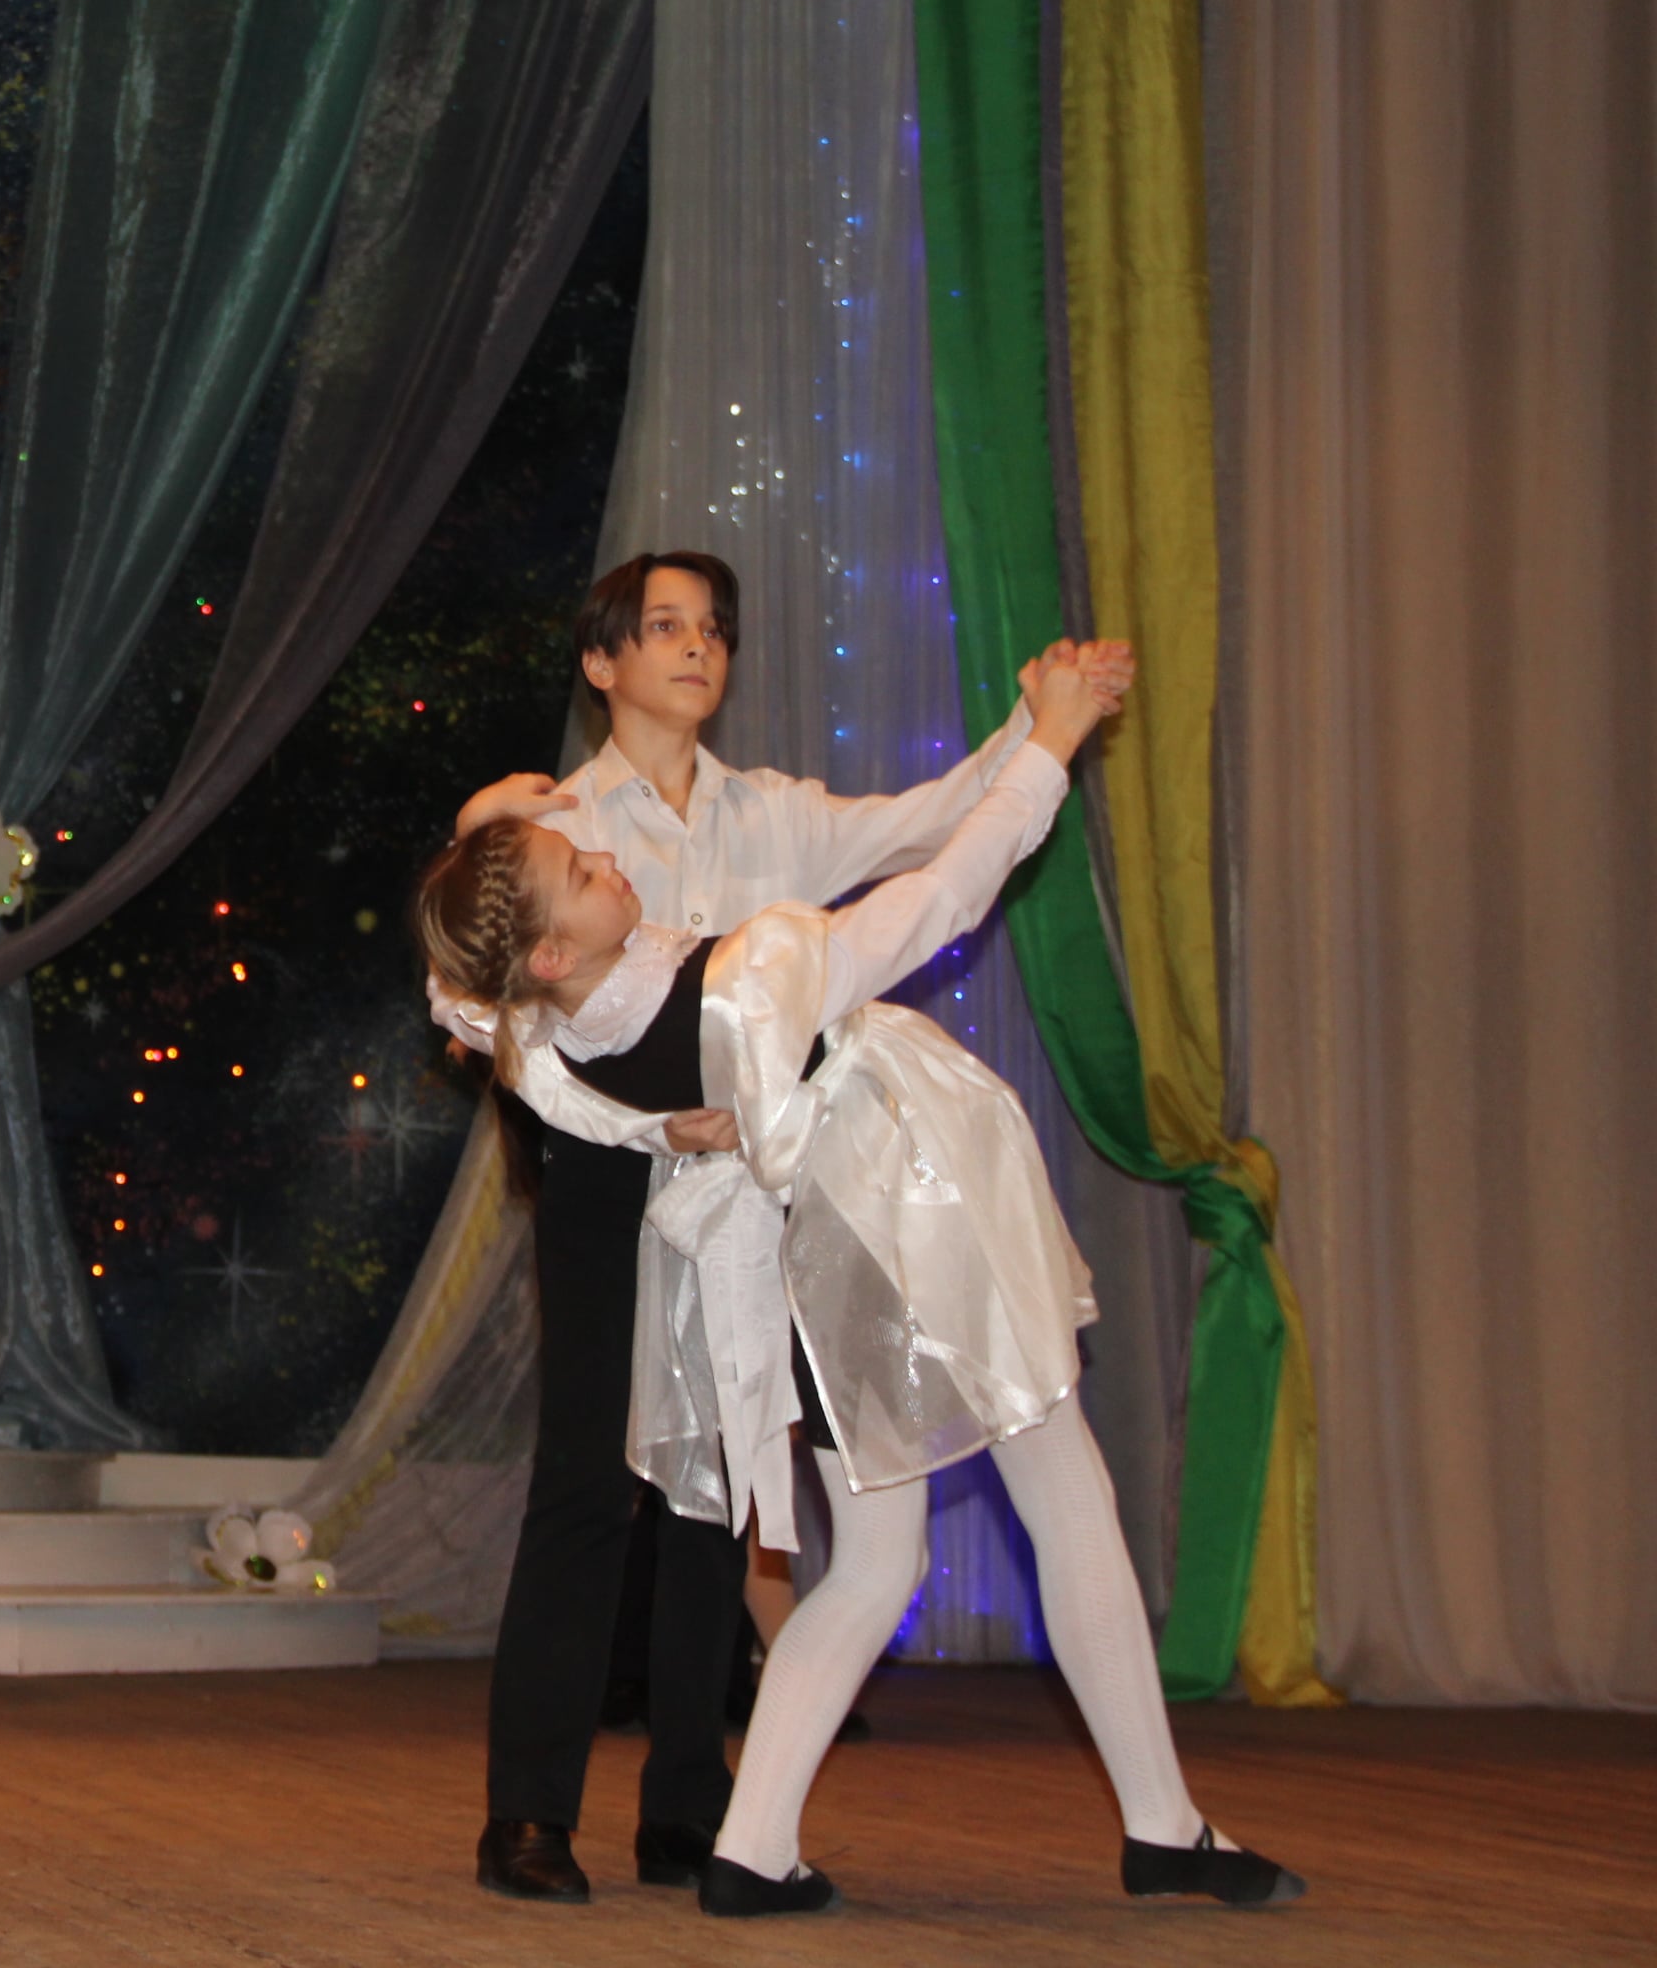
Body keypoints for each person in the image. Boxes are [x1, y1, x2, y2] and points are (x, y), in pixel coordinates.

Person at [416, 644, 1303, 1916]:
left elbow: (467, 996)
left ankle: (755, 1846)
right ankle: (1162, 1827)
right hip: (906, 1220)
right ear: (552, 953)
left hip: (812, 1280)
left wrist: (485, 831)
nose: (607, 860)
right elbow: (941, 898)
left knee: (879, 1563)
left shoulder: (555, 1035)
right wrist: (1050, 749)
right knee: (1068, 1496)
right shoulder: (747, 981)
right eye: (582, 872)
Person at [437, 550, 1086, 1905]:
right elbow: (464, 994)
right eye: (664, 626)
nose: (697, 647)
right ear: (602, 662)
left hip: (752, 1179)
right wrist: (630, 1113)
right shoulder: (554, 823)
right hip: (610, 1172)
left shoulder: (777, 814)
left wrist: (1040, 722)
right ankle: (528, 1815)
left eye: (714, 629)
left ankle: (688, 1804)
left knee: (722, 1488)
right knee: (587, 1481)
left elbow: (931, 829)